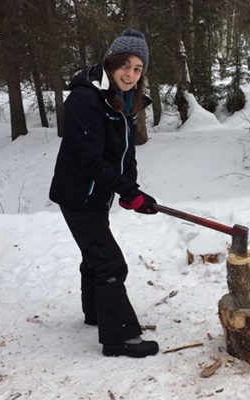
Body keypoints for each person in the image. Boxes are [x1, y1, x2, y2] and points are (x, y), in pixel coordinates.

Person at [49, 28, 159, 358]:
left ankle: (96, 314)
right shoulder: (85, 98)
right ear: (110, 63)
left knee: (95, 255)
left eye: (138, 68)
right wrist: (129, 191)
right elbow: (91, 159)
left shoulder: (123, 99)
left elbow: (125, 151)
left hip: (97, 195)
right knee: (110, 263)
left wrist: (131, 189)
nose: (130, 73)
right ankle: (119, 338)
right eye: (125, 65)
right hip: (78, 195)